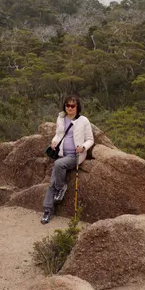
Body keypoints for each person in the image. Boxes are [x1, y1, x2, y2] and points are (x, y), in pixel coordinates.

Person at [41, 95, 94, 224]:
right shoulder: (61, 118)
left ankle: (61, 187)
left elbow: (90, 139)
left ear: (77, 107)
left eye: (72, 106)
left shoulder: (83, 121)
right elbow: (58, 135)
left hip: (75, 156)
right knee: (52, 181)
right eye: (67, 105)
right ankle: (47, 210)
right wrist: (54, 142)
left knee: (58, 165)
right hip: (61, 153)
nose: (69, 108)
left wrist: (83, 147)